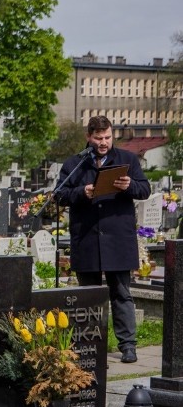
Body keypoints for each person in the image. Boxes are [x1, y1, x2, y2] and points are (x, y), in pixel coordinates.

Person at [54, 115, 150, 363]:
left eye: (107, 137)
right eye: (98, 138)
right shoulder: (76, 163)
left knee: (121, 293)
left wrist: (128, 184)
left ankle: (128, 345)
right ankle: (89, 346)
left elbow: (144, 189)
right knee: (88, 296)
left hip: (117, 239)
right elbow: (59, 194)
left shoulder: (127, 160)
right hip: (87, 238)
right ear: (89, 137)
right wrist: (81, 192)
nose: (104, 142)